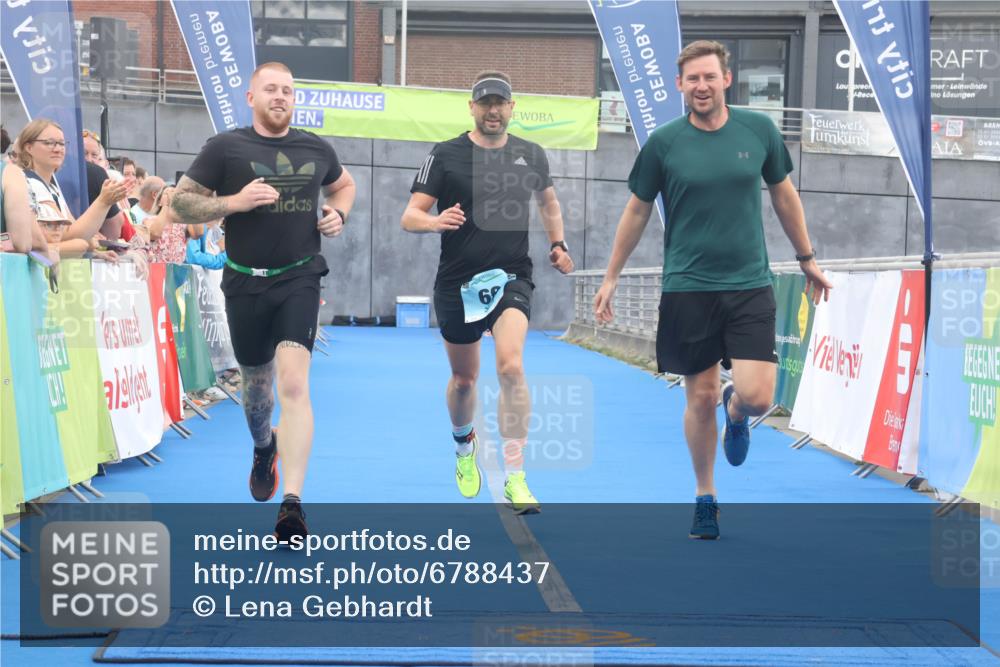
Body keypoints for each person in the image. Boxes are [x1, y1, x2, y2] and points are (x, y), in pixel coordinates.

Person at [593, 41, 832, 540]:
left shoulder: (759, 131)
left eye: (709, 77)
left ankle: (737, 409)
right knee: (697, 398)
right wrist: (612, 274)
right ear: (680, 87)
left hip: (749, 284)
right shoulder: (663, 143)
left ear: (726, 80)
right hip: (688, 288)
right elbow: (636, 210)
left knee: (759, 393)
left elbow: (784, 196)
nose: (701, 86)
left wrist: (807, 258)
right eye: (691, 80)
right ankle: (706, 497)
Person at [172, 62, 356, 540]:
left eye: (288, 91)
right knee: (258, 396)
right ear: (251, 96)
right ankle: (263, 447)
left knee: (295, 386)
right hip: (243, 282)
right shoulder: (225, 147)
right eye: (271, 89)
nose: (281, 97)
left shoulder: (315, 147)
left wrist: (338, 213)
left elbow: (344, 184)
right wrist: (233, 202)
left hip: (299, 276)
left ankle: (291, 504)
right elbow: (179, 205)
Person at [401, 71, 574, 514]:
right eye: (485, 103)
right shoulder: (445, 155)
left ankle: (516, 475)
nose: (493, 110)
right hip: (458, 280)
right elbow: (410, 216)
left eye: (501, 103)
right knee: (464, 381)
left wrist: (558, 244)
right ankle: (464, 448)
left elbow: (549, 203)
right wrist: (435, 222)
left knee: (512, 366)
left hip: (510, 275)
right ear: (472, 108)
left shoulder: (530, 154)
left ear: (512, 108)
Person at [16, 119, 128, 259]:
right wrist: (103, 202)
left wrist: (94, 252)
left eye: (62, 143)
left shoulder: (51, 186)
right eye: (49, 143)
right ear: (29, 147)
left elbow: (80, 234)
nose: (58, 149)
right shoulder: (29, 182)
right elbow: (71, 235)